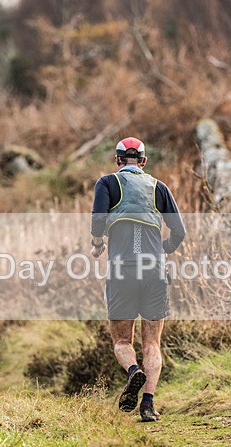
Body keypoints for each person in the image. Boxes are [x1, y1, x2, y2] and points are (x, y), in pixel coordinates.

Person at [90, 137, 186, 422]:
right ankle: (147, 404)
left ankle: (133, 371)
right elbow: (179, 231)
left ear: (117, 160)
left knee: (122, 340)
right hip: (154, 271)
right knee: (152, 343)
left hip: (122, 270)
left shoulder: (107, 183)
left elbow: (98, 220)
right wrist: (164, 249)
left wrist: (97, 242)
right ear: (143, 161)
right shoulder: (159, 187)